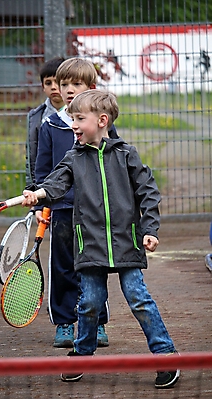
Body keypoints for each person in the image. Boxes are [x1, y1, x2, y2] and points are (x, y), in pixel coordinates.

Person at [22, 89, 180, 389]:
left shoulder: (126, 155)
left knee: (139, 299)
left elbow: (148, 193)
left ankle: (166, 355)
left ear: (102, 120)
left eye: (80, 118)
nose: (74, 125)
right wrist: (37, 194)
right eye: (72, 119)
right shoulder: (73, 158)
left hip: (126, 243)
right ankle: (82, 355)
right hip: (90, 245)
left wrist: (149, 229)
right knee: (91, 302)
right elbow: (55, 184)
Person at [33, 58, 118, 348]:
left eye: (77, 84)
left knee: (95, 266)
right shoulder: (50, 126)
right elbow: (42, 172)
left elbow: (114, 166)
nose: (69, 90)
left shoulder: (103, 125)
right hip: (62, 210)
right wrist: (38, 206)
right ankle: (65, 324)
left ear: (91, 88)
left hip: (94, 211)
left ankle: (97, 323)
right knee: (63, 267)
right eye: (64, 83)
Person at [25, 56, 65, 188]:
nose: (54, 87)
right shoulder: (36, 117)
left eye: (58, 82)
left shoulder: (81, 114)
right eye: (48, 83)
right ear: (43, 86)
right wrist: (32, 188)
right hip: (46, 184)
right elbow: (31, 158)